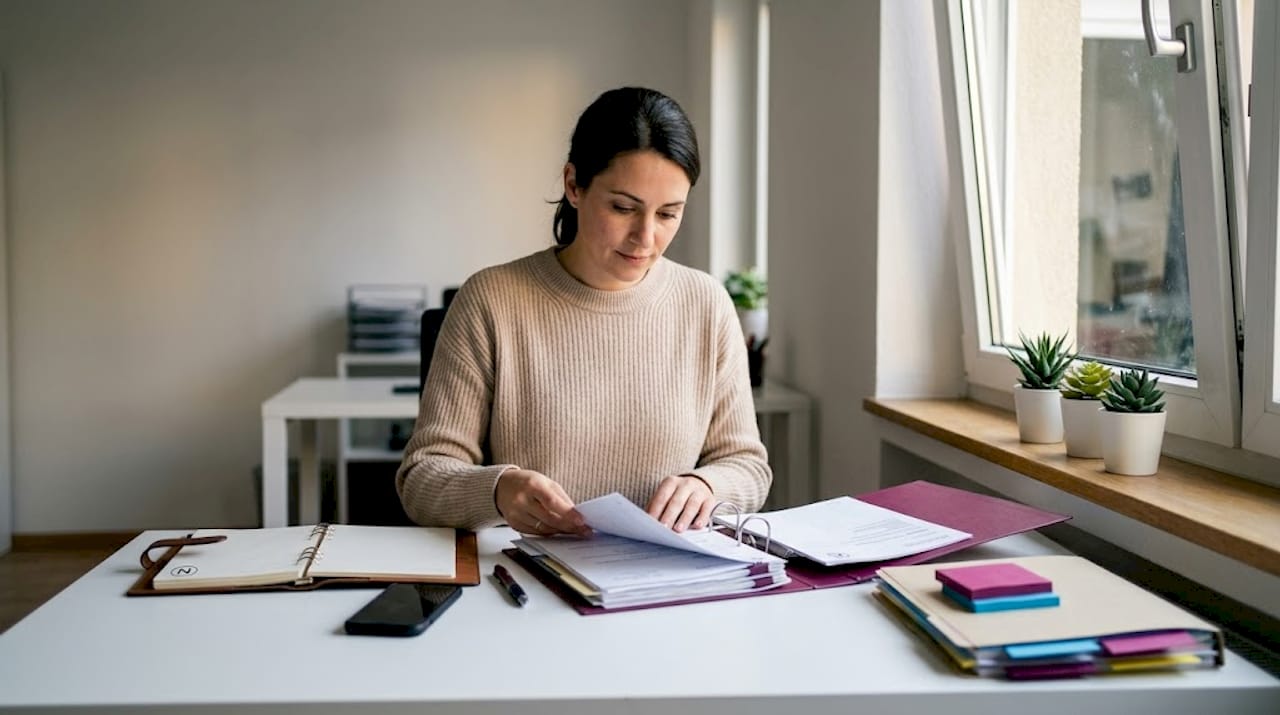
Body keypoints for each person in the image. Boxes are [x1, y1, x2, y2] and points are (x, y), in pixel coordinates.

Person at [396, 86, 771, 536]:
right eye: (623, 208)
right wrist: (497, 490)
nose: (645, 237)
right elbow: (422, 478)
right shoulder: (490, 300)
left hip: (665, 571)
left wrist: (708, 485)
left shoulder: (706, 304)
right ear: (574, 185)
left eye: (668, 214)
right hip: (525, 570)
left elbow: (747, 465)